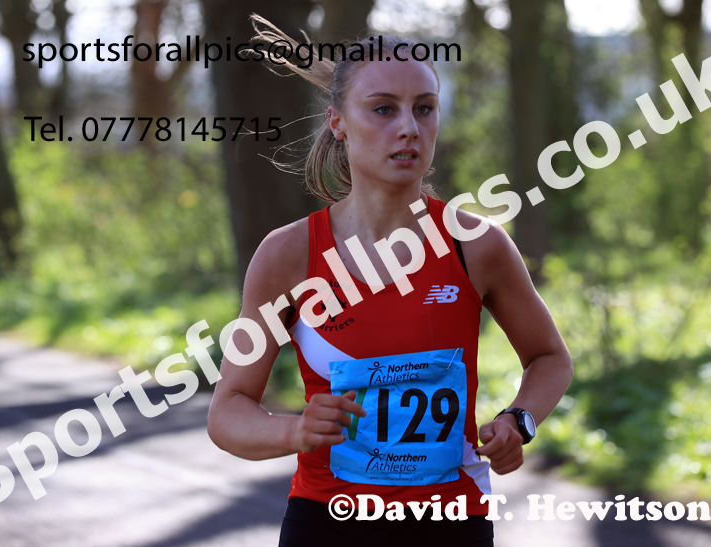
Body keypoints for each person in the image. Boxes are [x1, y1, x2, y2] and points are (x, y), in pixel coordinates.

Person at [207, 14, 574, 547]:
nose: (409, 127)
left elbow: (550, 358)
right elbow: (228, 411)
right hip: (326, 522)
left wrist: (520, 420)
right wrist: (295, 430)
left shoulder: (476, 244)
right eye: (383, 109)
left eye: (424, 109)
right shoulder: (289, 255)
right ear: (337, 122)